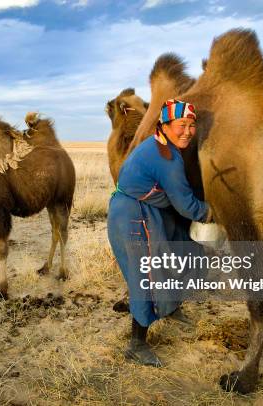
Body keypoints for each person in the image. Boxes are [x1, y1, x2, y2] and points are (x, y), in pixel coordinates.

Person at [108, 99, 212, 367]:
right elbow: (187, 205)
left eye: (191, 125)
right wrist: (214, 212)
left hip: (147, 211)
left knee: (183, 247)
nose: (188, 131)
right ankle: (137, 345)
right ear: (164, 125)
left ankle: (171, 306)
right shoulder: (165, 159)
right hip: (134, 217)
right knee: (147, 275)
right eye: (181, 125)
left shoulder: (163, 146)